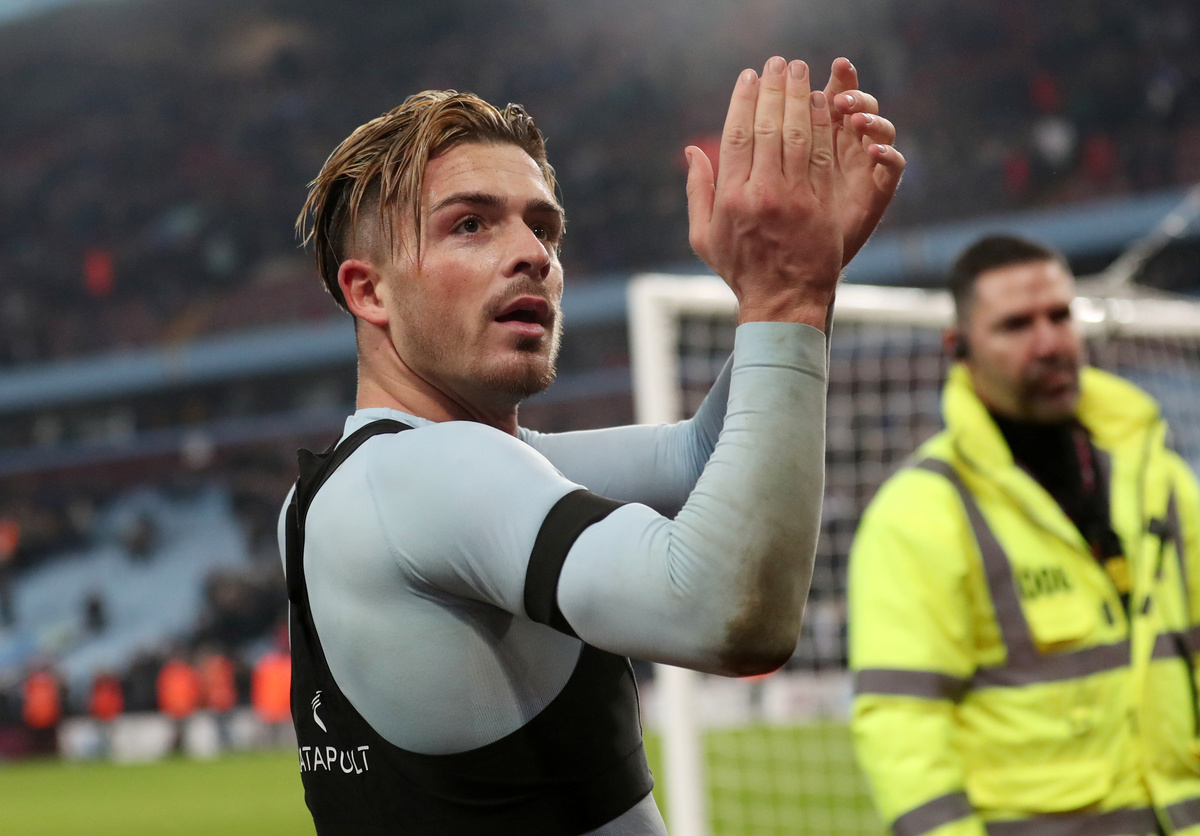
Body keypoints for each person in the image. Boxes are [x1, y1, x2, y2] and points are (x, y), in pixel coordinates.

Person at [283, 55, 903, 835]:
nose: (534, 255)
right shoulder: (423, 476)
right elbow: (725, 613)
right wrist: (788, 297)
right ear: (368, 290)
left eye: (543, 228)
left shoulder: (345, 485)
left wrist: (805, 277)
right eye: (470, 224)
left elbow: (701, 459)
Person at [848, 235, 1200, 836]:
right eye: (1016, 325)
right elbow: (903, 729)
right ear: (958, 348)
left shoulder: (1157, 478)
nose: (1049, 343)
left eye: (1060, 316)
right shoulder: (919, 513)